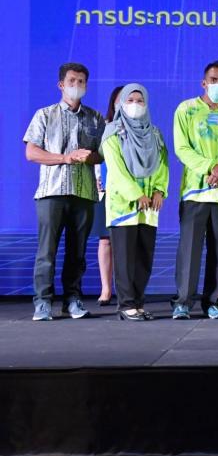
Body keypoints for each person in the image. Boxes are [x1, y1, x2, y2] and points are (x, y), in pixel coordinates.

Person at [24, 62, 105, 321]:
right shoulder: (44, 114)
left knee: (77, 252)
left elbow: (103, 154)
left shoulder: (95, 117)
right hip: (51, 192)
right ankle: (43, 302)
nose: (77, 85)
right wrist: (65, 158)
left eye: (81, 82)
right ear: (61, 84)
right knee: (47, 251)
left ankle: (72, 300)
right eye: (72, 81)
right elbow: (31, 152)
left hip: (84, 193)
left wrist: (90, 157)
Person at [171, 61, 218, 320]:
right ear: (204, 83)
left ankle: (212, 301)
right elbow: (182, 148)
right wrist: (210, 167)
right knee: (189, 250)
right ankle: (183, 302)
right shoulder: (186, 109)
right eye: (214, 80)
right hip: (195, 190)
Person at [100, 84, 169, 321]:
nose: (135, 105)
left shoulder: (154, 133)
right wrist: (136, 194)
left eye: (140, 101)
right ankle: (126, 304)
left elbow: (162, 163)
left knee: (144, 257)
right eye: (130, 100)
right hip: (124, 206)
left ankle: (138, 303)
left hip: (149, 206)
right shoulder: (112, 133)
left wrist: (159, 190)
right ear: (121, 104)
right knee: (125, 258)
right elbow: (116, 170)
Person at [92, 85, 124, 306]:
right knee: (105, 240)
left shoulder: (142, 127)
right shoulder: (104, 126)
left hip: (130, 193)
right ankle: (106, 288)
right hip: (106, 191)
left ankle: (126, 289)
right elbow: (97, 156)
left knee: (127, 242)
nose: (125, 104)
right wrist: (97, 178)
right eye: (120, 100)